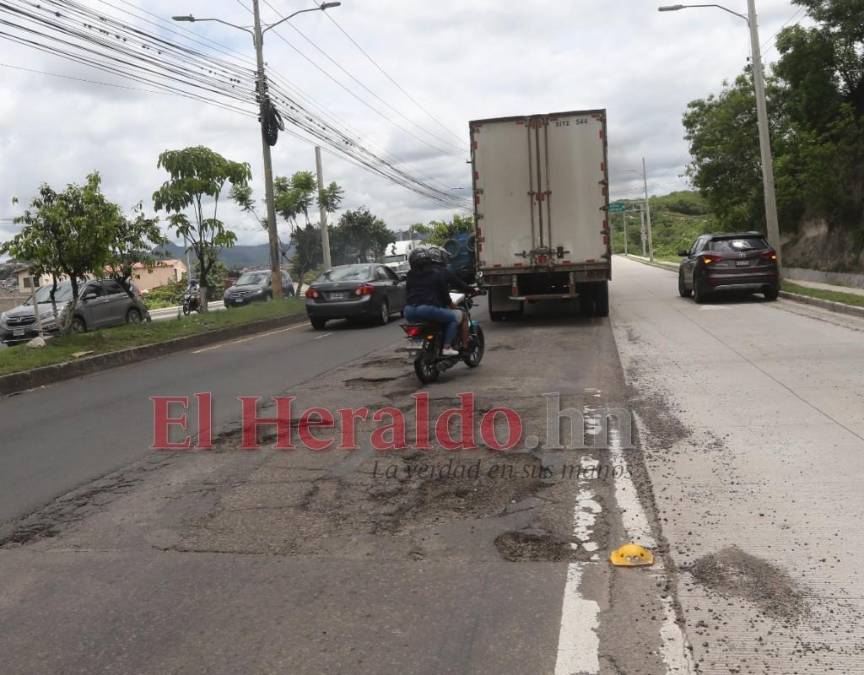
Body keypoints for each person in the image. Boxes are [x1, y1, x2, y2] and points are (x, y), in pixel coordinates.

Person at [404, 246, 473, 357]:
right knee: (454, 317)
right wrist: (452, 305)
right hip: (427, 310)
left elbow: (408, 293)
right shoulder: (436, 274)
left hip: (409, 311)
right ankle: (447, 347)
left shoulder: (410, 275)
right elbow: (445, 295)